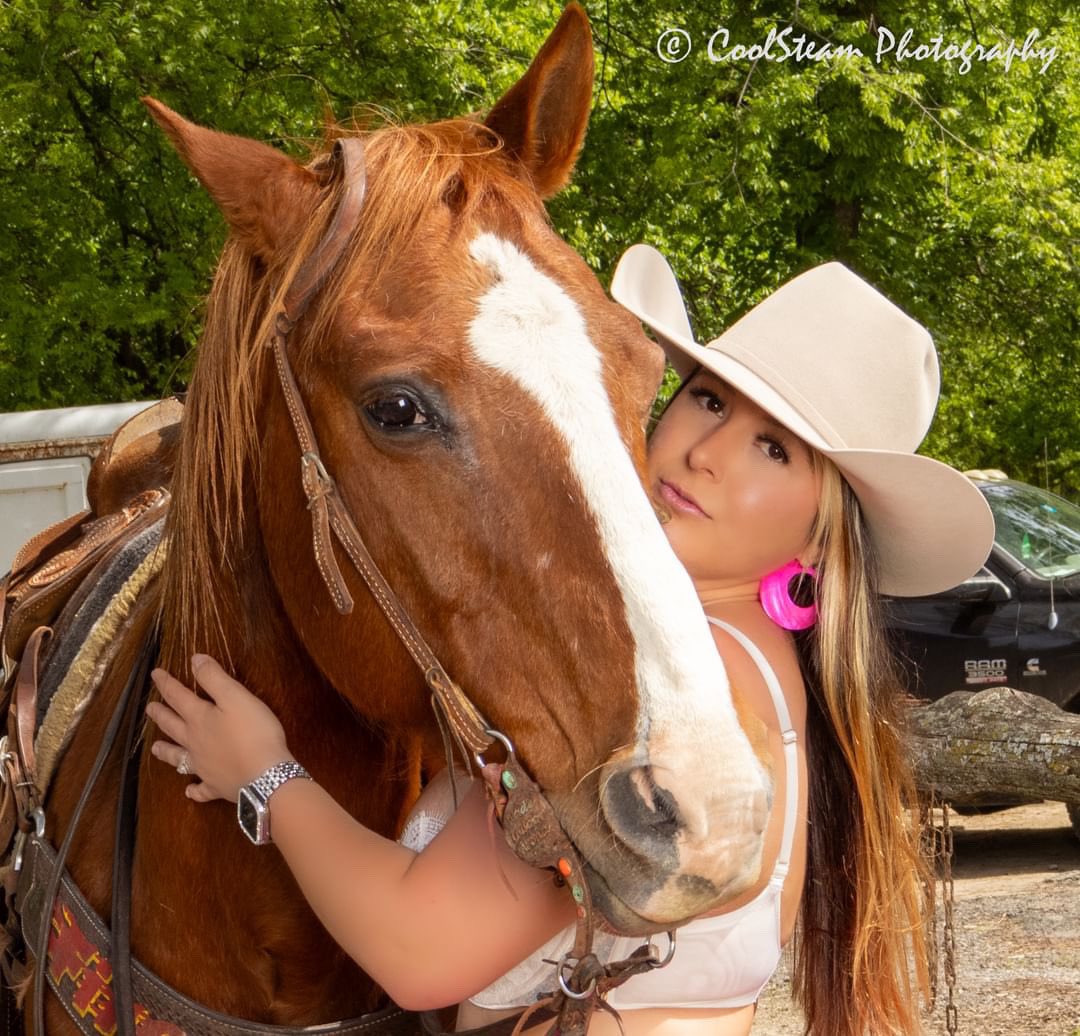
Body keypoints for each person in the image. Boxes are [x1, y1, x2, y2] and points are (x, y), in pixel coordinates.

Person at [146, 248, 994, 1036]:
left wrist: (264, 774)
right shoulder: (758, 672)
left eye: (774, 450)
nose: (704, 452)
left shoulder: (674, 687)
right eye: (707, 398)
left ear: (821, 540)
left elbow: (419, 952)